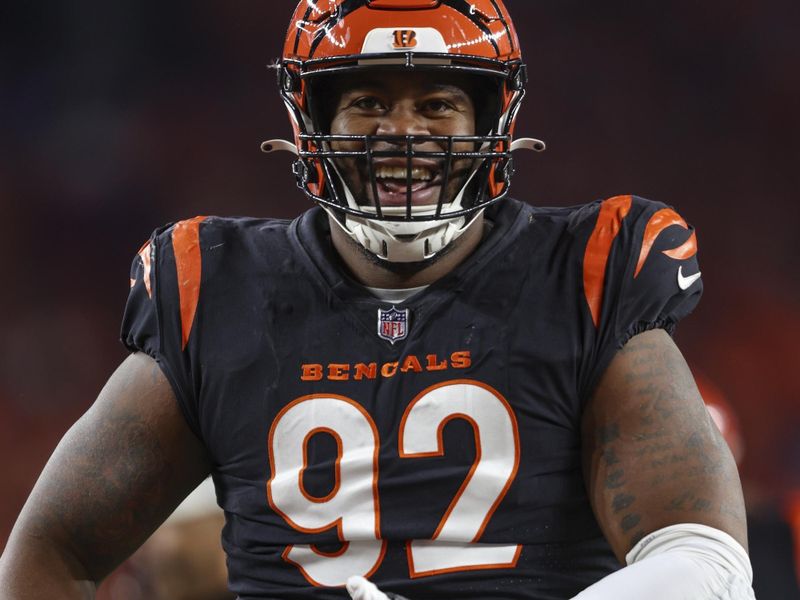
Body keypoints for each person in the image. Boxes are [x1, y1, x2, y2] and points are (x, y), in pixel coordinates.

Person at [0, 1, 756, 598]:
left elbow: (703, 561)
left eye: (436, 103)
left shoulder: (586, 271)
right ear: (312, 119)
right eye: (366, 100)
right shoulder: (216, 284)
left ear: (490, 119)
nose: (401, 132)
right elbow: (53, 551)